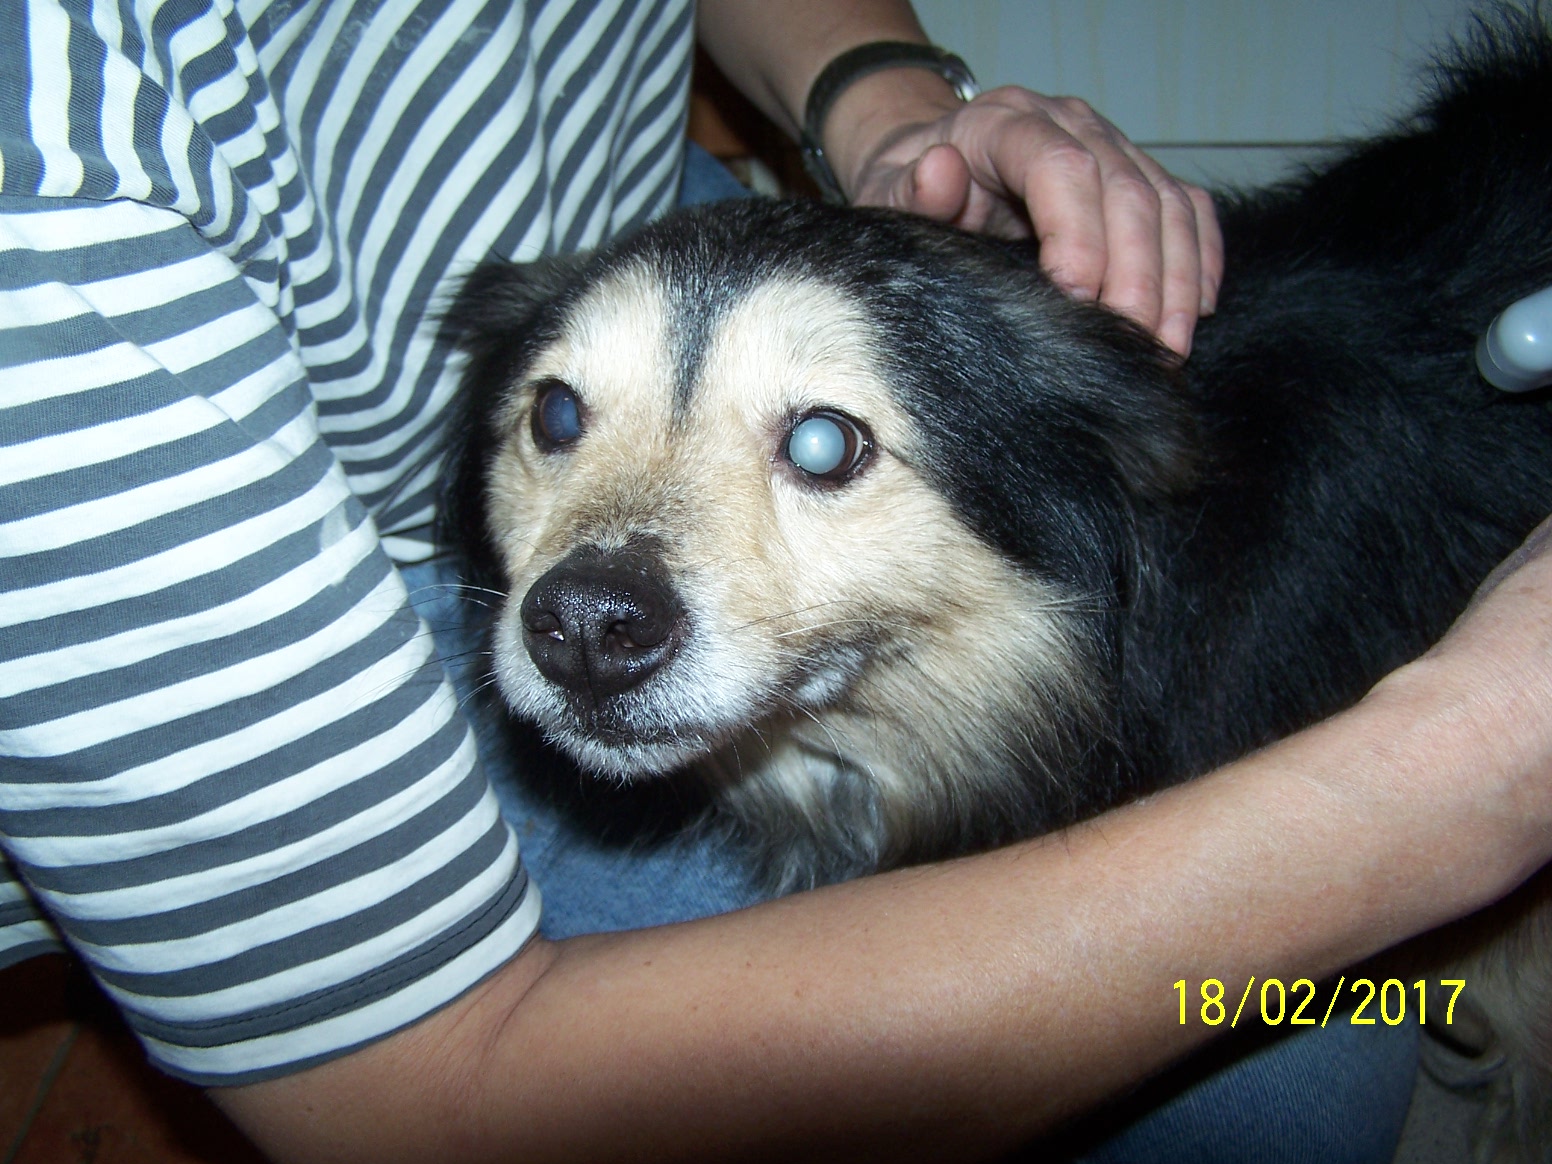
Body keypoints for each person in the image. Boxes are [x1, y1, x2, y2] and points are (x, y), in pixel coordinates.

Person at [0, 1, 1544, 1161]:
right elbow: (411, 1107)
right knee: (1314, 1075)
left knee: (1306, 1049)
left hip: (654, 222)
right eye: (559, 420)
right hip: (251, 564)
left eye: (822, 447)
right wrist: (1463, 777)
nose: (599, 579)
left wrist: (880, 96)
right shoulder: (50, 213)